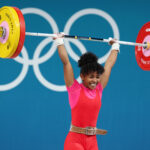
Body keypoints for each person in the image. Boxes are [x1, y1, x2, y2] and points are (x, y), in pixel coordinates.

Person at [53, 33, 120, 150]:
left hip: (92, 141)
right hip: (74, 141)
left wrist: (115, 47)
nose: (95, 80)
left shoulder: (99, 89)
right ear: (82, 76)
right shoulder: (74, 89)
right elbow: (66, 62)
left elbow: (108, 66)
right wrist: (59, 42)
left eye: (97, 77)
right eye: (91, 77)